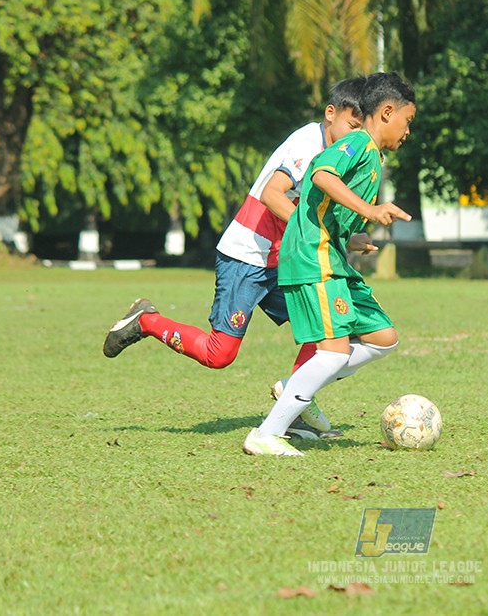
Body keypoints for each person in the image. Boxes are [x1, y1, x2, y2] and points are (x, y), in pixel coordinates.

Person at [103, 77, 372, 437]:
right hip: (248, 254)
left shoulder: (336, 153)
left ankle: (293, 405)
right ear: (330, 113)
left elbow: (313, 214)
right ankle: (148, 321)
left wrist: (347, 238)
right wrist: (319, 235)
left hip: (285, 257)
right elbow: (271, 194)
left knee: (324, 326)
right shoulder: (308, 144)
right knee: (219, 355)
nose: (354, 135)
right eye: (351, 126)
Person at [242, 71, 416, 456]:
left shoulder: (373, 155)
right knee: (334, 351)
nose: (408, 131)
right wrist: (370, 209)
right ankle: (267, 434)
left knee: (383, 338)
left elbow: (325, 209)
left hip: (332, 253)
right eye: (408, 120)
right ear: (387, 112)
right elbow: (321, 174)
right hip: (311, 255)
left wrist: (351, 237)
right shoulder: (356, 142)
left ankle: (296, 385)